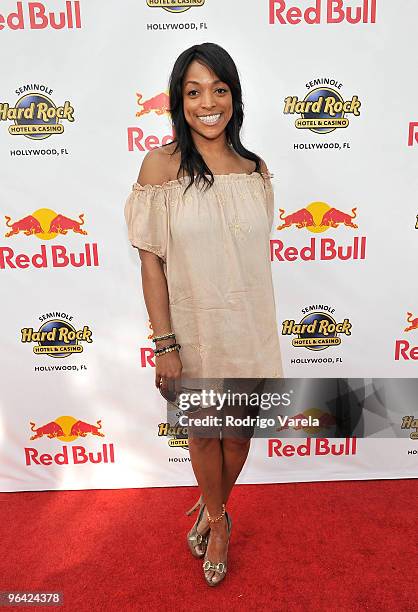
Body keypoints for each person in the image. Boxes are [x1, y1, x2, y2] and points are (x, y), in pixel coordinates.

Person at [124, 42, 283, 586]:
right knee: (202, 435)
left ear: (234, 97)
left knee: (236, 438)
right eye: (194, 91)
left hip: (251, 327)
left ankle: (211, 503)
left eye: (219, 89)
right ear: (178, 100)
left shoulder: (255, 169)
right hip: (192, 332)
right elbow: (152, 264)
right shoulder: (160, 167)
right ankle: (218, 521)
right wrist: (164, 343)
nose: (207, 103)